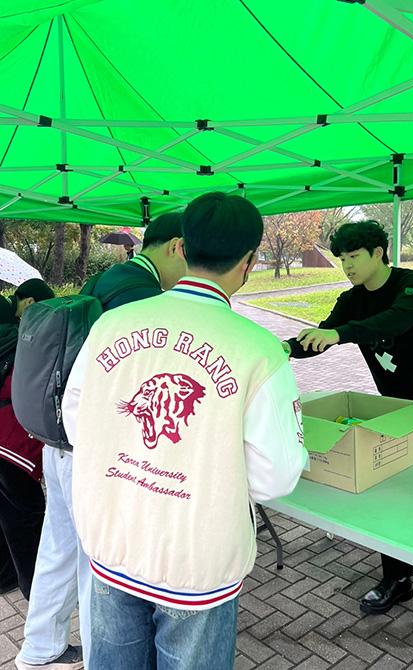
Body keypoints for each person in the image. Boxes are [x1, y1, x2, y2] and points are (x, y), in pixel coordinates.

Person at [62, 192, 307, 670]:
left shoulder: (113, 323)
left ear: (183, 247)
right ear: (249, 261)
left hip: (114, 539)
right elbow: (277, 474)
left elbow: (77, 418)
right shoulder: (260, 351)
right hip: (196, 559)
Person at [15, 213, 186, 670]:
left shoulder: (109, 278)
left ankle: (40, 649)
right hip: (90, 447)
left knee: (58, 548)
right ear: (177, 247)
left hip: (57, 440)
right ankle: (98, 659)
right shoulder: (141, 295)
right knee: (99, 564)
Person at [283, 220, 413, 630]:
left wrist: (340, 333)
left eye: (354, 257)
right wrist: (283, 348)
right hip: (394, 407)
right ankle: (397, 578)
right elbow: (323, 337)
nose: (347, 266)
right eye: (341, 259)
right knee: (389, 487)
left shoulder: (411, 286)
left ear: (378, 253)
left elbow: (393, 322)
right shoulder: (351, 300)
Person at [0, 279, 54, 600]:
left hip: (4, 441)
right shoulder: (19, 338)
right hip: (12, 443)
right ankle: (35, 590)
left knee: (8, 511)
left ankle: (7, 575)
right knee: (27, 514)